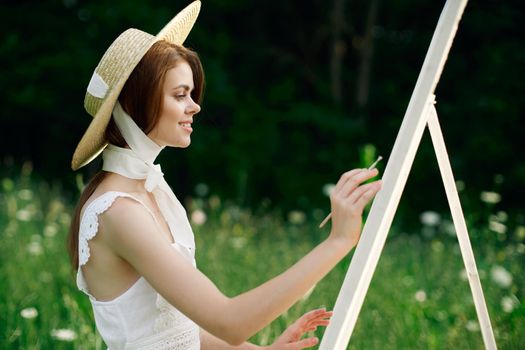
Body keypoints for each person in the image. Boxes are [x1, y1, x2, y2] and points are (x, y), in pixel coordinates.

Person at [68, 1, 382, 349]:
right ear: (134, 103)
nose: (195, 106)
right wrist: (338, 242)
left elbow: (176, 334)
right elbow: (231, 322)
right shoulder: (117, 211)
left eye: (192, 94)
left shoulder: (148, 193)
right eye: (180, 95)